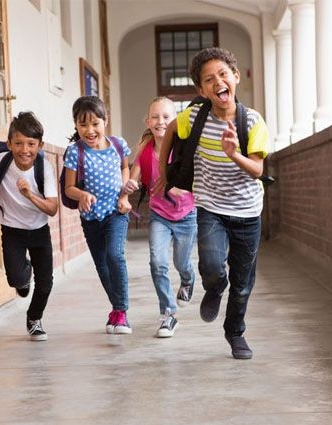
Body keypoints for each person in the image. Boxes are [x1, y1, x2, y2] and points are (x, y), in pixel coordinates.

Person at [154, 47, 269, 359]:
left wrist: (234, 154)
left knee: (243, 283)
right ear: (201, 90)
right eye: (208, 79)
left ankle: (235, 333)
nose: (218, 82)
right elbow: (170, 131)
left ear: (235, 77)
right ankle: (215, 287)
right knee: (212, 266)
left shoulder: (252, 121)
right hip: (211, 207)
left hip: (247, 211)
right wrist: (164, 171)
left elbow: (258, 169)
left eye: (223, 74)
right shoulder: (194, 117)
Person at [0, 111, 58, 341]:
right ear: (9, 144)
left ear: (40, 145)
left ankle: (34, 319)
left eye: (31, 144)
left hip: (39, 230)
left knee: (45, 284)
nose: (24, 149)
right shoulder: (0, 161)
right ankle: (23, 274)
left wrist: (29, 195)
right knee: (16, 280)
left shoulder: (45, 168)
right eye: (18, 143)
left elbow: (52, 208)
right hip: (12, 229)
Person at [123, 97, 197, 338]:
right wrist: (130, 185)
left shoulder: (183, 148)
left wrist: (180, 187)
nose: (160, 121)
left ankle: (188, 278)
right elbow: (133, 178)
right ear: (148, 121)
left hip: (186, 215)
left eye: (166, 117)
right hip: (160, 216)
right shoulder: (145, 150)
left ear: (175, 120)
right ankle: (168, 314)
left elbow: (197, 177)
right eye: (155, 117)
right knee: (157, 262)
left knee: (181, 262)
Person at [63, 96, 133, 334]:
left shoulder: (118, 144)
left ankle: (121, 312)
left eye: (95, 123)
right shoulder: (75, 151)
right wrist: (82, 194)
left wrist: (124, 194)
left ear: (105, 121)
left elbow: (125, 167)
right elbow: (68, 188)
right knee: (102, 266)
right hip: (91, 218)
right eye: (83, 125)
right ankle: (116, 308)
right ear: (76, 125)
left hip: (116, 212)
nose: (90, 130)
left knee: (114, 255)